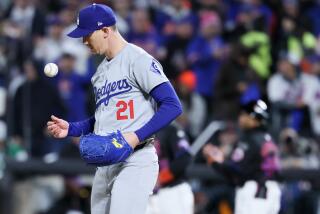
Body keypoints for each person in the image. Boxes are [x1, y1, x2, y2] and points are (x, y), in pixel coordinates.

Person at [46, 3, 182, 214]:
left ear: (105, 30)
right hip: (106, 164)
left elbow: (173, 105)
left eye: (87, 35)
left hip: (135, 160)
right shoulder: (99, 72)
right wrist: (71, 128)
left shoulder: (138, 59)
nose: (84, 41)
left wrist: (136, 136)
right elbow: (102, 118)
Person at [203, 100, 281, 214]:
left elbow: (236, 172)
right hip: (272, 192)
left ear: (255, 119)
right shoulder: (268, 138)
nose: (241, 118)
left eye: (245, 115)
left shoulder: (249, 140)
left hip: (255, 192)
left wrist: (215, 161)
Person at [146, 116, 194, 214]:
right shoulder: (138, 130)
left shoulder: (171, 129)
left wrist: (161, 178)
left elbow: (184, 158)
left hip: (173, 192)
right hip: (148, 195)